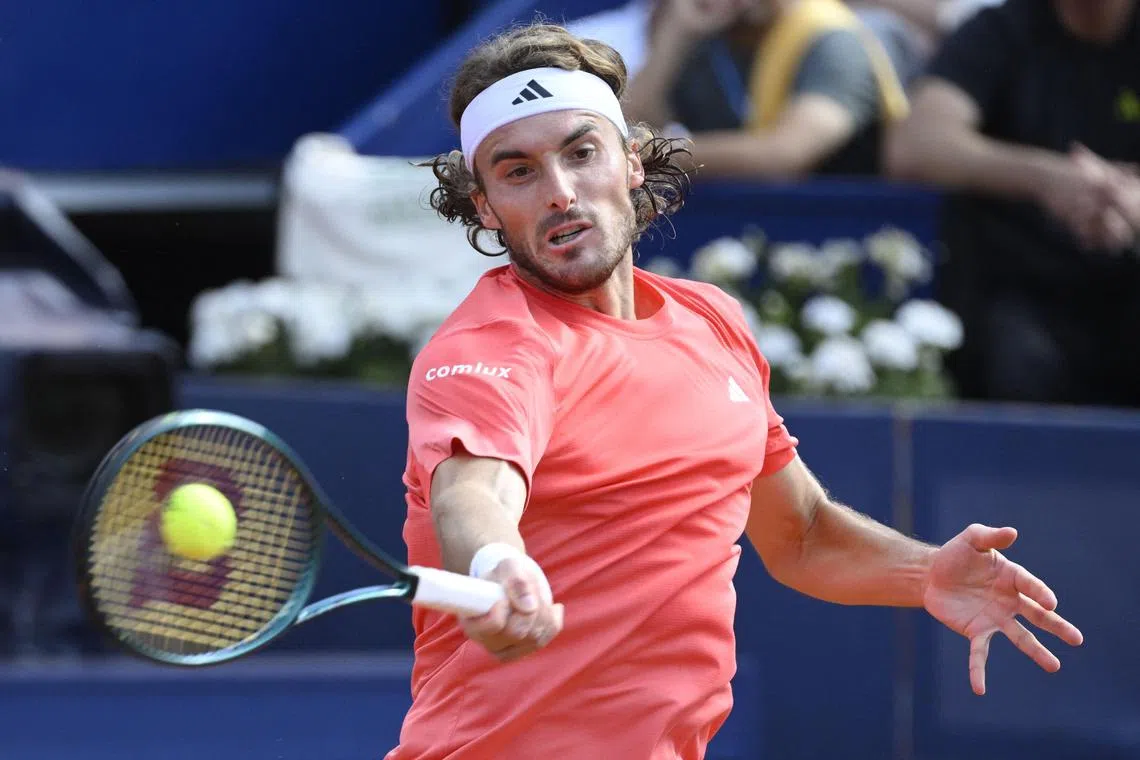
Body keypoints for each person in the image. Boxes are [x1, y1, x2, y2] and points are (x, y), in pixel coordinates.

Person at [386, 23, 1083, 760]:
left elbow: (803, 534)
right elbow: (474, 494)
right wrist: (498, 563)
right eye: (517, 171)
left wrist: (924, 571)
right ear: (486, 205)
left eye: (580, 152)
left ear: (630, 161)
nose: (560, 192)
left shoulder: (709, 320)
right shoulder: (490, 347)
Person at [885, 0, 1140, 406]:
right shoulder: (1000, 31)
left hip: (1128, 290)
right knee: (1014, 358)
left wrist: (1128, 202)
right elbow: (917, 144)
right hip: (1025, 301)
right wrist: (1049, 180)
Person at [623, 0, 910, 178]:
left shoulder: (832, 40)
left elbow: (783, 154)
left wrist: (642, 155)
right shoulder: (707, 38)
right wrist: (676, 34)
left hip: (835, 237)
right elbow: (631, 123)